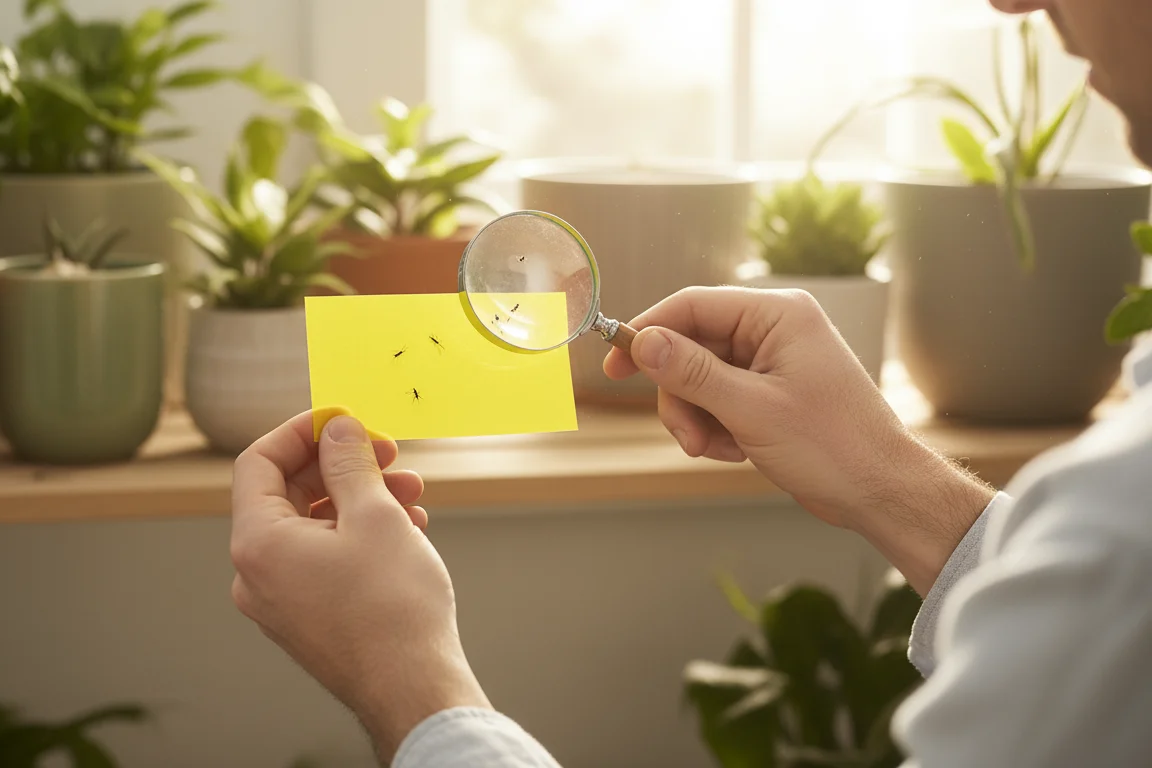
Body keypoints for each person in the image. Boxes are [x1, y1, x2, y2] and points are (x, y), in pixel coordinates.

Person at [228, 0, 1152, 765]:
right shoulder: (1120, 518)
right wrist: (887, 479)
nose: (1010, 4)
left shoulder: (1123, 517)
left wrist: (405, 676)